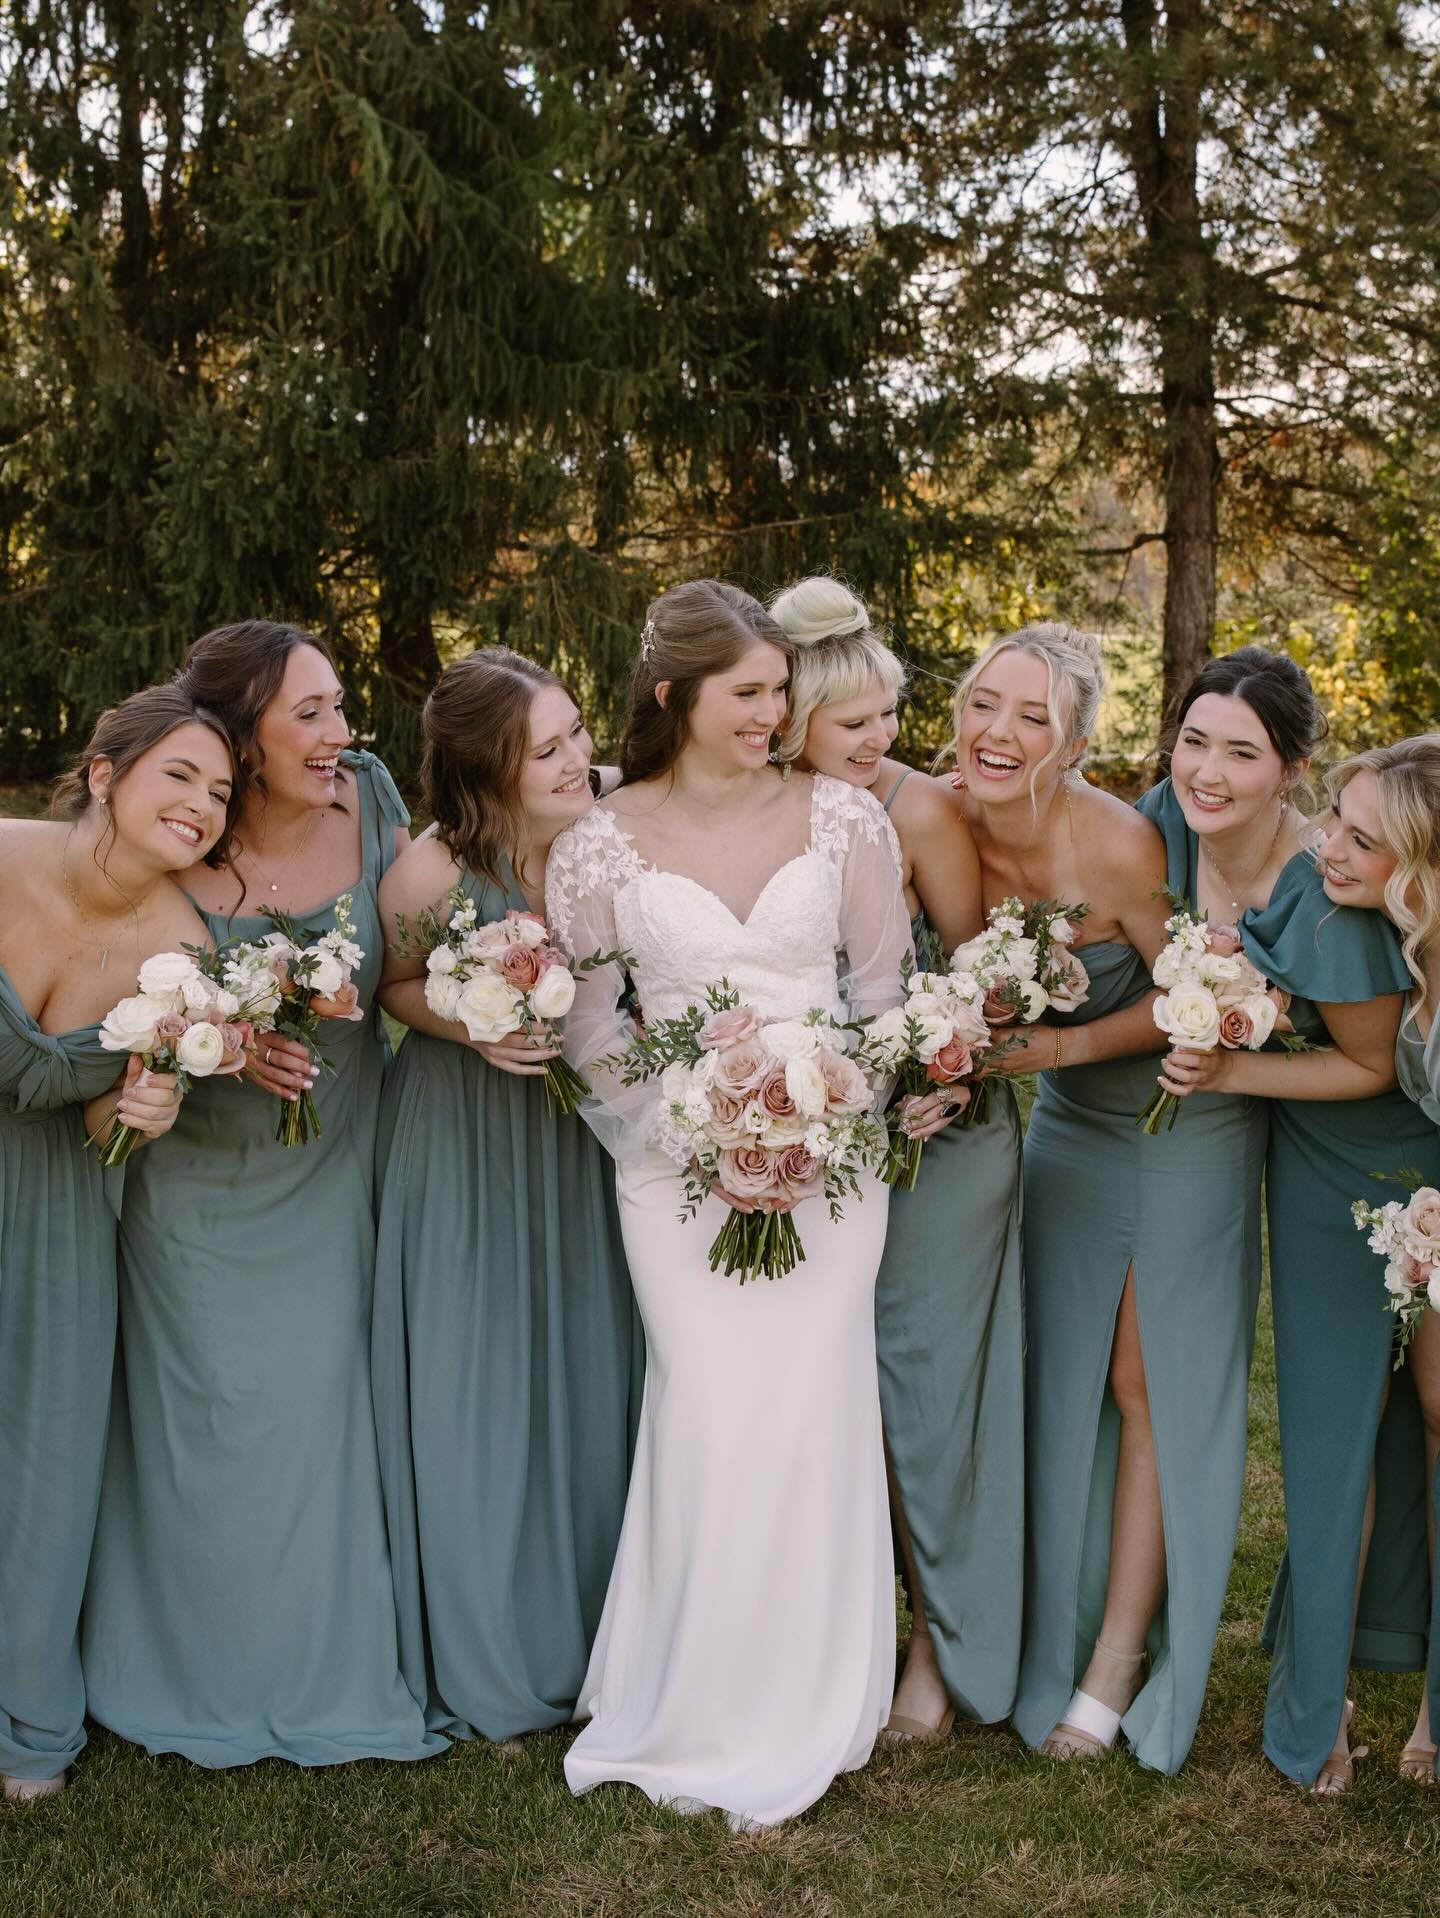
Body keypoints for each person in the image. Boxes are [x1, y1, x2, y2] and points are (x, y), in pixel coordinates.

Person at [545, 578, 912, 1828]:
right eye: (748, 692)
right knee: (706, 1410)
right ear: (674, 695)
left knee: (810, 1410)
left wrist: (822, 1116)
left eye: (779, 691)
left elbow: (881, 996)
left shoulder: (846, 818)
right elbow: (593, 1029)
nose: (773, 713)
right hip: (672, 1173)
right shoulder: (598, 839)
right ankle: (686, 1692)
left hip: (832, 1162)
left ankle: (814, 1691)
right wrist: (701, 1129)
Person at [82, 621, 443, 1768]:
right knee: (211, 1413)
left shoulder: (370, 797)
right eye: (310, 713)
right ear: (243, 735)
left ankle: (328, 1660)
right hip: (195, 1179)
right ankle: (189, 1664)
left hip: (337, 1167)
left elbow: (411, 955)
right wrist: (224, 1042)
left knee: (321, 1411)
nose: (340, 732)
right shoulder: (181, 825)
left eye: (339, 707)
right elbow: (115, 979)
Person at [957, 622, 1257, 1774]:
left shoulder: (1122, 842)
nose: (1001, 733)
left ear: (1077, 743)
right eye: (987, 703)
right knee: (1062, 1369)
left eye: (1034, 717)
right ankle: (1047, 1627)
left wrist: (1059, 1049)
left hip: (1178, 1115)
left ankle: (1118, 1660)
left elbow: (1192, 992)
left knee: (1142, 1377)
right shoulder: (941, 818)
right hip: (1069, 1131)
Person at [1157, 658, 1440, 1794]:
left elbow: (1376, 1060)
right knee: (1331, 1435)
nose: (1330, 848)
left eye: (1364, 842)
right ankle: (1315, 1704)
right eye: (1336, 822)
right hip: (1334, 1179)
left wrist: (1230, 1071)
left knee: (1438, 1416)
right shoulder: (1317, 895)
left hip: (1423, 1175)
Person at [371, 648, 643, 1743]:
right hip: (463, 1136)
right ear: (490, 769)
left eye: (577, 731)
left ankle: (602, 1630)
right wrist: (471, 1024)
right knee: (472, 1377)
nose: (579, 758)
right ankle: (485, 1634)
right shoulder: (430, 873)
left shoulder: (614, 825)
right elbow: (394, 986)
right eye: (548, 749)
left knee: (589, 1356)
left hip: (583, 1135)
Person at [769, 575, 1023, 1738]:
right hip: (803, 1140)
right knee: (834, 1391)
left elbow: (975, 976)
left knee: (923, 1392)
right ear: (791, 722)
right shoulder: (764, 806)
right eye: (854, 721)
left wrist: (940, 1071)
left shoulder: (919, 811)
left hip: (934, 1136)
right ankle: (849, 1623)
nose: (881, 738)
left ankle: (940, 1643)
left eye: (889, 714)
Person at [1, 684, 233, 1800]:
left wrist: (146, 1110)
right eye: (179, 774)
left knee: (42, 1463)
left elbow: (102, 1121)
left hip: (53, 1210)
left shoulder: (184, 948)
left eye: (221, 791)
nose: (201, 805)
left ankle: (22, 1714)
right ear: (103, 773)